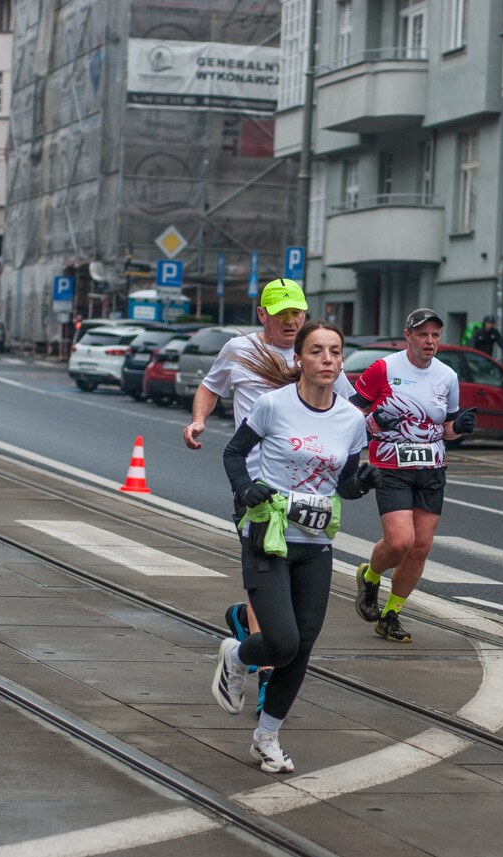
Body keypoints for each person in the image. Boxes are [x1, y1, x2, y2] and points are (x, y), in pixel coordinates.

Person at [213, 320, 380, 772]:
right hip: (268, 536)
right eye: (317, 351)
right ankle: (237, 653)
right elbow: (232, 453)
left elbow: (343, 483)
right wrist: (246, 488)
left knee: (302, 646)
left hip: (316, 541)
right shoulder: (273, 405)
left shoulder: (351, 419)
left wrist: (360, 484)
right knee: (282, 641)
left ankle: (266, 738)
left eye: (335, 352)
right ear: (300, 360)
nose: (327, 359)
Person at [185, 278, 353, 712]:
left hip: (307, 496)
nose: (291, 321)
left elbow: (347, 410)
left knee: (292, 607)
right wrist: (199, 420)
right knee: (270, 573)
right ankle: (265, 679)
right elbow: (209, 386)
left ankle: (247, 624)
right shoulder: (239, 351)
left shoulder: (316, 355)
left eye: (296, 312)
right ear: (262, 315)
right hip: (256, 487)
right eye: (281, 314)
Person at [350, 308, 478, 643]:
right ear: (408, 336)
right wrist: (376, 423)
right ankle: (371, 574)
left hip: (432, 468)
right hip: (391, 466)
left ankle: (391, 614)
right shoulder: (384, 369)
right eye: (423, 334)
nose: (430, 341)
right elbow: (348, 416)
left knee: (420, 547)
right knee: (400, 542)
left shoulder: (447, 376)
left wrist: (459, 428)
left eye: (435, 335)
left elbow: (446, 428)